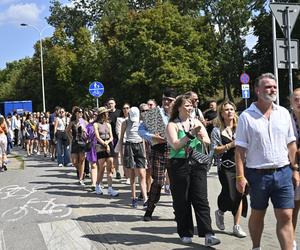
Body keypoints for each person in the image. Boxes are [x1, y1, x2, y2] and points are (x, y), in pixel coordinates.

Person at [235, 73, 300, 250]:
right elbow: (240, 150)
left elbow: (291, 144)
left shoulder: (284, 113)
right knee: (258, 214)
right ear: (257, 90)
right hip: (257, 175)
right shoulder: (246, 117)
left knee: (286, 215)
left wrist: (295, 169)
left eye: (274, 87)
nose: (272, 90)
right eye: (267, 87)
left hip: (283, 172)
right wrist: (240, 177)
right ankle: (256, 246)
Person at [165, 95, 220, 246]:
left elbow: (207, 141)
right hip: (179, 164)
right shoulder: (172, 125)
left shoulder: (196, 122)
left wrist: (202, 137)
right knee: (182, 200)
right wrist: (190, 135)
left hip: (198, 162)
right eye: (187, 105)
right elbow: (175, 145)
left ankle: (208, 233)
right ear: (179, 107)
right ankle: (185, 232)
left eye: (191, 105)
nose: (190, 108)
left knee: (201, 199)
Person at [138, 87, 177, 221]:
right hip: (159, 149)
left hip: (175, 150)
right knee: (158, 182)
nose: (166, 102)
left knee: (177, 183)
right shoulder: (155, 113)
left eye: (170, 100)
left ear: (175, 101)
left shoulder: (178, 114)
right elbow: (141, 130)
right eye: (164, 99)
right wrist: (151, 136)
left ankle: (178, 212)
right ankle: (149, 211)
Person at [210, 101, 247, 238]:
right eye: (226, 110)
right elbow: (214, 150)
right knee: (230, 194)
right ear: (221, 113)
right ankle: (220, 211)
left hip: (242, 166)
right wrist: (230, 145)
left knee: (240, 194)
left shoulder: (241, 127)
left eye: (232, 109)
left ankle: (236, 226)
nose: (229, 112)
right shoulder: (217, 130)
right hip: (225, 167)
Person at [119, 107, 148, 208]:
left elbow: (143, 138)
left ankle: (145, 199)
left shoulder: (141, 122)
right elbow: (121, 137)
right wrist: (121, 154)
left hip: (139, 145)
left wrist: (144, 153)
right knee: (132, 174)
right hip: (129, 145)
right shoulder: (125, 122)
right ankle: (133, 197)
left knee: (142, 173)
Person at [94, 107, 119, 197]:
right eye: (105, 113)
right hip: (100, 145)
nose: (107, 114)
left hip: (108, 144)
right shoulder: (96, 124)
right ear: (102, 114)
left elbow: (111, 136)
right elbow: (97, 136)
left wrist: (108, 143)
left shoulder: (108, 124)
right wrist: (104, 144)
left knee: (110, 166)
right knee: (102, 167)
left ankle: (110, 188)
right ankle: (97, 185)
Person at [290, 88, 300, 250]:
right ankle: (290, 241)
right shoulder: (286, 119)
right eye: (296, 99)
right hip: (292, 168)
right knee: (293, 207)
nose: (299, 102)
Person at [66, 107, 87, 186]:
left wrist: (85, 132)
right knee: (74, 162)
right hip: (75, 142)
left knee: (81, 161)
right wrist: (71, 138)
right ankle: (82, 171)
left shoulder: (85, 122)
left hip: (82, 142)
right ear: (75, 113)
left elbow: (89, 132)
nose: (80, 113)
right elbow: (67, 131)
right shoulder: (72, 122)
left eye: (81, 112)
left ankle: (81, 179)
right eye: (79, 112)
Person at [107, 98, 122, 179]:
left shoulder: (119, 112)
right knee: (111, 156)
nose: (110, 105)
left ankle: (118, 171)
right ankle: (115, 171)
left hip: (118, 136)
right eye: (109, 103)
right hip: (109, 137)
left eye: (112, 103)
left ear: (115, 104)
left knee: (117, 155)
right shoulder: (106, 113)